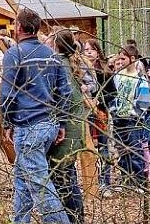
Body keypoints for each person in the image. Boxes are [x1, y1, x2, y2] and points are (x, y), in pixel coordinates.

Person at [0, 7, 71, 223]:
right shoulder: (51, 55)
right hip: (48, 124)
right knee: (22, 181)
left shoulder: (15, 54)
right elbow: (64, 92)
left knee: (40, 186)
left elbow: (7, 94)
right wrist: (61, 123)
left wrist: (6, 122)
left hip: (29, 126)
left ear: (18, 27)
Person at [46, 29, 87, 224]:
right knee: (67, 177)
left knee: (64, 180)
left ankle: (73, 220)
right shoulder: (64, 65)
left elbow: (61, 99)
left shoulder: (58, 67)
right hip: (72, 130)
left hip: (66, 133)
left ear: (55, 43)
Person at [103, 44, 150, 192]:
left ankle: (139, 182)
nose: (121, 61)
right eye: (119, 58)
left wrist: (135, 113)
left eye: (123, 58)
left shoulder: (140, 79)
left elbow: (144, 100)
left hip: (132, 120)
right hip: (118, 118)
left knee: (135, 150)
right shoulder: (117, 77)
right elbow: (111, 94)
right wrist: (113, 110)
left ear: (132, 58)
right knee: (121, 151)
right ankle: (126, 179)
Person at [82, 39, 113, 196]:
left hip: (101, 113)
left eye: (92, 49)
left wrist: (100, 100)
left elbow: (112, 93)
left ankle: (106, 182)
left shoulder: (105, 71)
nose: (88, 52)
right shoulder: (80, 69)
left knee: (104, 148)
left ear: (98, 51)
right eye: (86, 49)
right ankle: (92, 183)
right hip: (86, 114)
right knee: (89, 149)